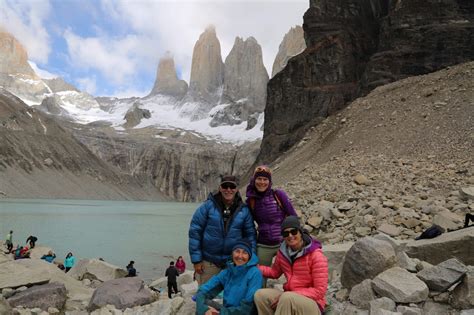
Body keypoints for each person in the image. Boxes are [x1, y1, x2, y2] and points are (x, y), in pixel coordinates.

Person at [189, 175, 256, 285]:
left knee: (231, 297)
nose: (228, 190)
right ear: (220, 188)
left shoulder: (244, 210)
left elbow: (250, 236)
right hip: (208, 262)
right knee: (206, 295)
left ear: (236, 189)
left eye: (232, 186)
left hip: (233, 262)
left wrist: (250, 260)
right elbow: (195, 232)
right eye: (225, 186)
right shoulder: (207, 206)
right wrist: (196, 260)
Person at [254, 216, 328, 315]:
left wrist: (291, 294)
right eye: (285, 233)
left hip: (313, 304)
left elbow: (319, 291)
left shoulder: (316, 255)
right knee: (260, 295)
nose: (290, 236)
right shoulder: (283, 252)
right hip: (289, 296)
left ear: (300, 232)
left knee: (286, 298)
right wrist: (255, 268)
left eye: (293, 232)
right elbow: (274, 272)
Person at [246, 165, 297, 270]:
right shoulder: (251, 201)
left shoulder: (278, 195)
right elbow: (249, 225)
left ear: (269, 182)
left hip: (284, 242)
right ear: (254, 180)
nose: (262, 182)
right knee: (260, 274)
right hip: (264, 245)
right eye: (259, 179)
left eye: (265, 179)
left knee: (292, 272)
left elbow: (293, 217)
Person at [196, 241, 263, 315]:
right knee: (203, 304)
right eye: (237, 251)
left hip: (242, 313)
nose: (240, 256)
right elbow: (203, 291)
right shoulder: (228, 271)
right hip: (227, 311)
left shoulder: (255, 273)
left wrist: (220, 313)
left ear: (249, 256)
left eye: (245, 253)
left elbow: (247, 308)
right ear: (232, 253)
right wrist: (205, 310)